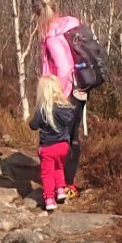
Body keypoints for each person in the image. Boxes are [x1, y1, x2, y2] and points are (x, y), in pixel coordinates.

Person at [33, 0, 83, 198]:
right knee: (70, 137)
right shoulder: (66, 27)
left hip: (64, 93)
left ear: (37, 16)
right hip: (77, 89)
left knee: (62, 138)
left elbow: (63, 68)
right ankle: (65, 184)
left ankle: (64, 185)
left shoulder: (53, 37)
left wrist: (56, 95)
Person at [29, 74, 86, 211]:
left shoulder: (42, 109)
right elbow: (71, 120)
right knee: (59, 167)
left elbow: (33, 125)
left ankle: (49, 199)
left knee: (47, 173)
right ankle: (60, 191)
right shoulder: (66, 108)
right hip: (63, 146)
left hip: (48, 147)